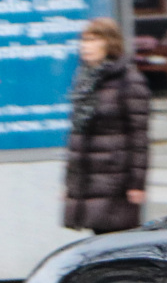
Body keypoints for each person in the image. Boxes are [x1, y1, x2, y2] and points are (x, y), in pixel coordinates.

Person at [63, 17, 149, 233]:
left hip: (115, 178)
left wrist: (136, 184)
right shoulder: (85, 81)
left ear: (109, 44)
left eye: (93, 40)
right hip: (90, 176)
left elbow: (139, 137)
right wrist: (70, 183)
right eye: (84, 41)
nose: (85, 46)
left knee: (115, 241)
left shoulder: (129, 81)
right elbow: (77, 137)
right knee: (98, 241)